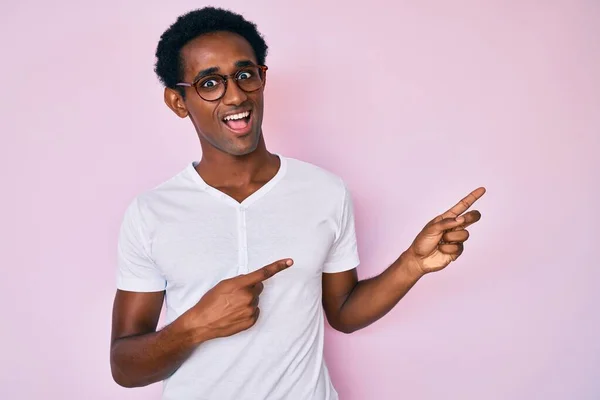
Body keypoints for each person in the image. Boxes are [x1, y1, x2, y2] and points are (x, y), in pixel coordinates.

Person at [109, 6, 485, 400]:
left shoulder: (325, 191)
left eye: (244, 75)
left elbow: (343, 311)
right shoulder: (151, 212)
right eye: (209, 83)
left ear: (262, 78)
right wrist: (197, 324)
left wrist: (413, 264)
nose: (236, 95)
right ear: (178, 101)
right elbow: (125, 367)